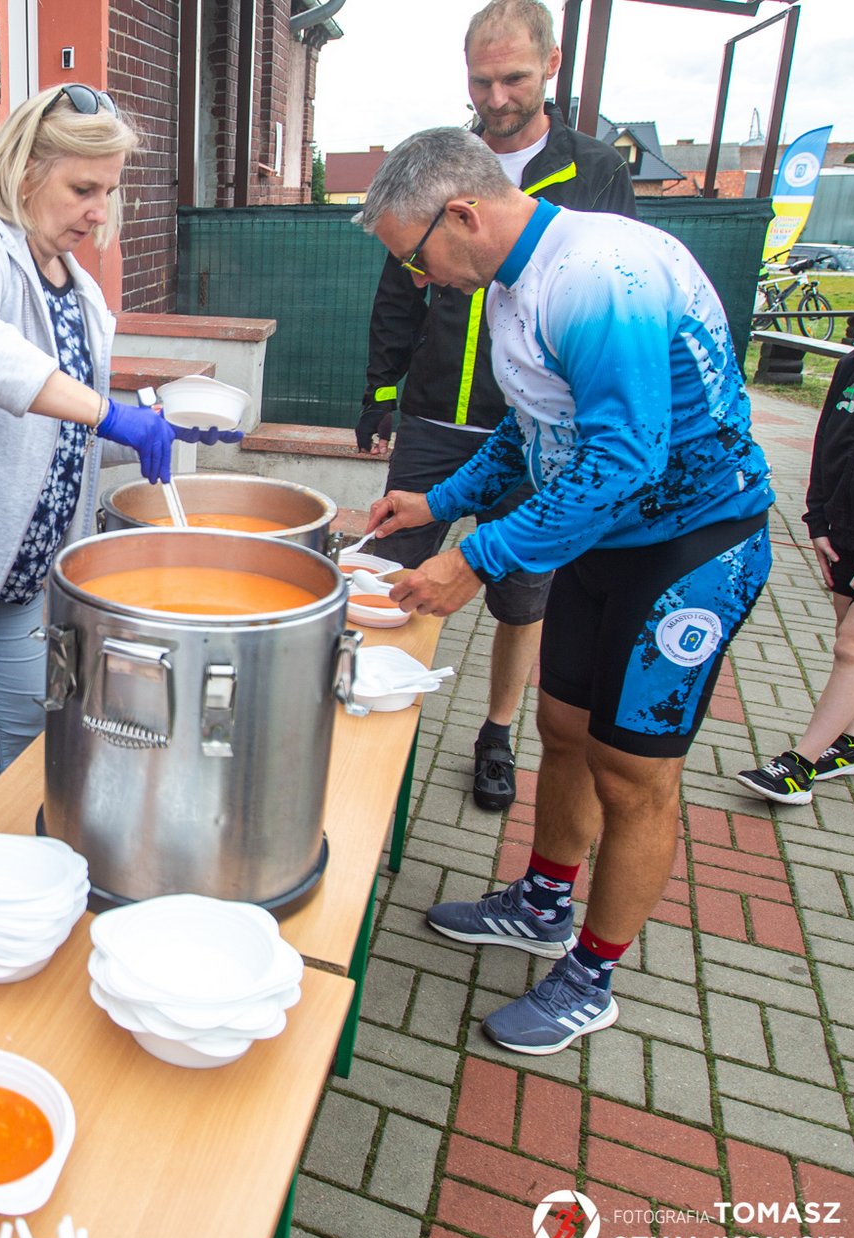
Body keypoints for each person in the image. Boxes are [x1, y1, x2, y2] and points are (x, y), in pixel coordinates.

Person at [358, 127, 775, 1055]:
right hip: (604, 534)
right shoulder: (513, 281)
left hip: (689, 547)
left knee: (634, 774)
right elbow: (531, 425)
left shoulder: (598, 277)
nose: (420, 279)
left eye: (416, 257)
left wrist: (476, 558)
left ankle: (594, 976)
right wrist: (441, 501)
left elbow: (625, 457)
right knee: (563, 729)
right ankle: (545, 902)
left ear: (462, 214)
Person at [0, 84, 226, 848]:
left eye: (109, 191)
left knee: (26, 751)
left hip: (27, 575)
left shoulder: (76, 286)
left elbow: (58, 429)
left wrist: (151, 425)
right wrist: (108, 411)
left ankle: (13, 884)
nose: (99, 211)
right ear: (26, 169)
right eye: (83, 188)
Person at [356, 0, 636, 814]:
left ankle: (496, 731)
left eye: (513, 77)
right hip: (458, 418)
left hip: (621, 491)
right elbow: (400, 292)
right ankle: (373, 704)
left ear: (551, 65)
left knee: (528, 602)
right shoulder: (439, 167)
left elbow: (619, 451)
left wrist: (478, 557)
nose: (496, 97)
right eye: (481, 81)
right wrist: (384, 394)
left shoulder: (592, 202)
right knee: (396, 563)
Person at [739, 228, 854, 803]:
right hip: (846, 529)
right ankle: (853, 744)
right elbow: (828, 440)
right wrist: (818, 521)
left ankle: (799, 764)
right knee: (852, 642)